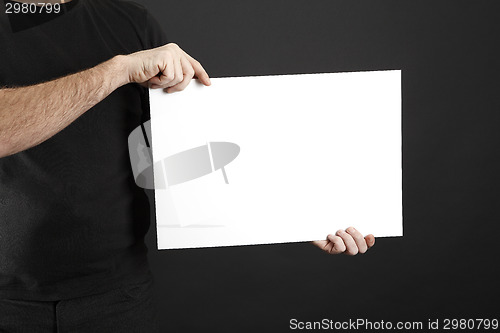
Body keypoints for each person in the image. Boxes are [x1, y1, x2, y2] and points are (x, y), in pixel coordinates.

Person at [0, 0, 375, 331]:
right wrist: (117, 70)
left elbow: (181, 151)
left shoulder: (129, 22)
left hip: (116, 298)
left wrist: (297, 214)